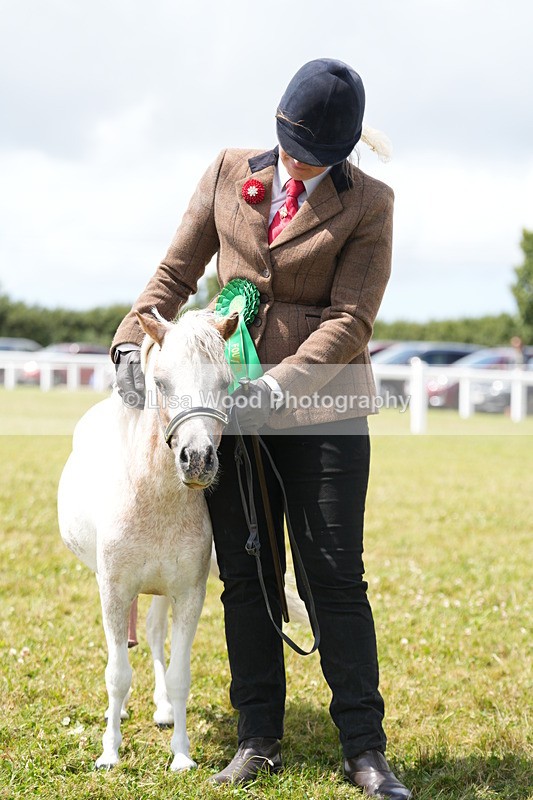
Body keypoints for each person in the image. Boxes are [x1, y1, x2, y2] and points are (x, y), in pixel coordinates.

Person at [112, 58, 411, 798]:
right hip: (225, 413)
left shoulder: (370, 203)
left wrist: (275, 386)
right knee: (245, 576)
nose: (294, 166)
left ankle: (364, 750)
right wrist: (126, 341)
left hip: (322, 412)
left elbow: (350, 321)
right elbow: (175, 272)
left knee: (333, 576)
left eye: (312, 160)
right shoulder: (224, 170)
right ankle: (257, 738)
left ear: (343, 154)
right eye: (287, 149)